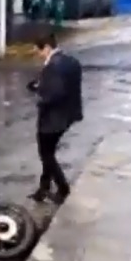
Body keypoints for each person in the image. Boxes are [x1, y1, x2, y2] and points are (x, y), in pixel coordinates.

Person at [27, 33, 82, 204]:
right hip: (68, 115)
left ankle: (63, 188)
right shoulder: (70, 61)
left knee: (46, 154)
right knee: (48, 152)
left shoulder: (52, 66)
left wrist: (40, 98)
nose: (38, 55)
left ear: (47, 47)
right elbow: (66, 86)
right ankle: (43, 188)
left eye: (38, 51)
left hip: (53, 119)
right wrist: (39, 85)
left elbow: (54, 94)